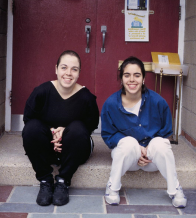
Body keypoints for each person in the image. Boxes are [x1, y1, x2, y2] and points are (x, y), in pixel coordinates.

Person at [101, 56, 187, 208]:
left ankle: (175, 190)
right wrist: (136, 148)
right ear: (121, 78)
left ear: (144, 79)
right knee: (128, 142)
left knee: (161, 144)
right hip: (127, 159)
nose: (132, 80)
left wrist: (147, 150)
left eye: (137, 75)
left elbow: (166, 131)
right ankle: (112, 188)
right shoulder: (111, 104)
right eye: (127, 75)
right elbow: (108, 135)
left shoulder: (158, 102)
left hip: (152, 160)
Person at [22, 50, 99, 206]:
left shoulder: (86, 98)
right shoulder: (41, 92)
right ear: (56, 69)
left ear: (79, 73)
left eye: (74, 69)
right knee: (32, 129)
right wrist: (52, 133)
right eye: (64, 67)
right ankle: (45, 180)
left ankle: (63, 181)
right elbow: (28, 120)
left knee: (78, 128)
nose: (68, 73)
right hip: (47, 150)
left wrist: (66, 131)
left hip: (75, 150)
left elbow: (90, 127)